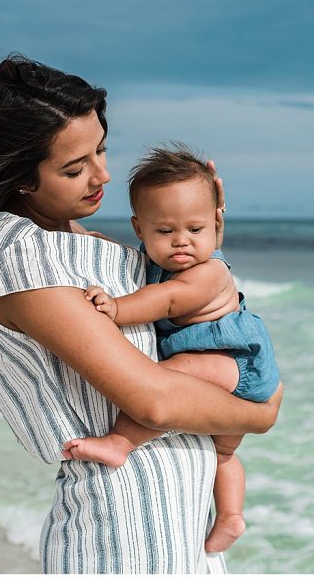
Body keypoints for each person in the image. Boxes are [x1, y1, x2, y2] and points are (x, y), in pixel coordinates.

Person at [0, 54, 283, 574]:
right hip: (124, 528)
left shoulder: (79, 242)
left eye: (101, 150)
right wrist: (259, 412)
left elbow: (184, 303)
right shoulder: (19, 257)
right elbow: (155, 401)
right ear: (19, 177)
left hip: (182, 521)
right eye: (74, 167)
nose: (101, 175)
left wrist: (200, 220)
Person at [64, 145, 281, 554]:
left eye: (195, 230)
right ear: (140, 229)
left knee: (176, 370)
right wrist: (74, 231)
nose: (181, 242)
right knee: (222, 454)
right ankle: (231, 517)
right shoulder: (155, 258)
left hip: (238, 365)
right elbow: (114, 253)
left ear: (215, 227)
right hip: (226, 369)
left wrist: (116, 309)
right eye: (165, 231)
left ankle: (120, 442)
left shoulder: (208, 272)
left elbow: (167, 301)